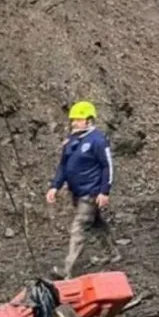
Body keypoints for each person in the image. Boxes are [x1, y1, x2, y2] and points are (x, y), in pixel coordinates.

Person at [47, 101, 120, 279]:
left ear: (88, 120)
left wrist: (104, 191)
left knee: (79, 228)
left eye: (78, 120)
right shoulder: (71, 141)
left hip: (91, 192)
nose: (74, 123)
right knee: (96, 224)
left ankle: (67, 268)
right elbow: (63, 166)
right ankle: (112, 252)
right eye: (73, 120)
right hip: (77, 192)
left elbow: (107, 166)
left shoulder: (97, 140)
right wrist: (55, 186)